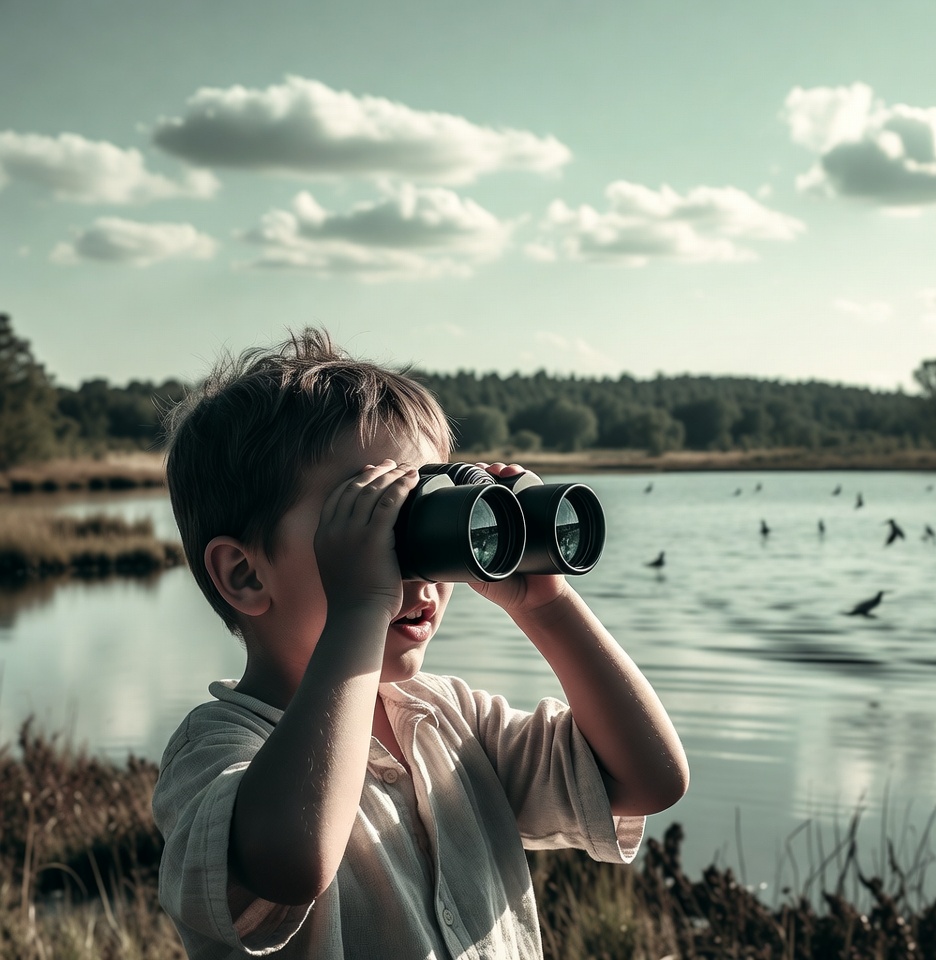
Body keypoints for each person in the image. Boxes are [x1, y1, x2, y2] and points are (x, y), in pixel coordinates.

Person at [152, 328, 689, 960]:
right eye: (375, 521)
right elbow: (289, 862)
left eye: (427, 517)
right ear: (245, 575)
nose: (419, 570)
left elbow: (647, 779)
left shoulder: (454, 721)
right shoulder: (215, 749)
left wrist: (546, 603)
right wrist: (361, 609)